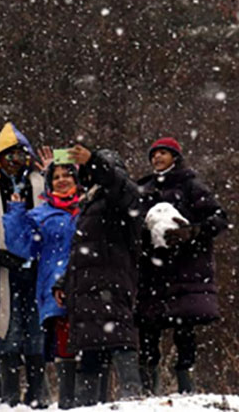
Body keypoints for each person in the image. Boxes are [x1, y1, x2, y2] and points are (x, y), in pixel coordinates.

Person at [135, 137, 228, 394]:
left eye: (163, 153)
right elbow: (131, 223)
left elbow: (219, 218)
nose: (157, 157)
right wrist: (143, 235)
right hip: (152, 271)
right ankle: (148, 391)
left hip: (185, 268)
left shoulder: (191, 185)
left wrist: (192, 232)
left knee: (184, 331)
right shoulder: (143, 188)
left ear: (175, 157)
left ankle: (187, 390)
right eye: (154, 154)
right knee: (148, 334)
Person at [52, 145, 144, 406]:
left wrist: (93, 160)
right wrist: (64, 282)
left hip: (111, 283)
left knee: (121, 340)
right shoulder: (89, 202)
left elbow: (116, 184)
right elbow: (81, 252)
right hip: (85, 289)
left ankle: (132, 400)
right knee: (89, 350)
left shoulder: (122, 197)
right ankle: (85, 406)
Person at [0, 122, 49, 407]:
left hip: (36, 268)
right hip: (1, 270)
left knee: (36, 332)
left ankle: (37, 394)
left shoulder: (39, 181)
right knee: (7, 330)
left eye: (20, 155)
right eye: (9, 155)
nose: (15, 161)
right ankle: (9, 395)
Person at [3, 154, 82, 409]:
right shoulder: (41, 214)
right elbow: (22, 247)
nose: (61, 180)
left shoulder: (89, 208)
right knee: (65, 344)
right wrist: (16, 213)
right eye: (56, 177)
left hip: (88, 284)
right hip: (54, 287)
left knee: (93, 344)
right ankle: (68, 402)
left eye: (67, 175)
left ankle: (93, 401)